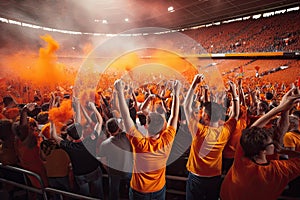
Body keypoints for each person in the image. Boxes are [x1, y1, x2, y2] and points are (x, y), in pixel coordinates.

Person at [220, 87, 300, 200]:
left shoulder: (242, 161)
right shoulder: (280, 170)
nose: (276, 143)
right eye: (272, 142)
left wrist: (282, 109)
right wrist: (284, 151)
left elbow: (253, 129)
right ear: (264, 150)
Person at [114, 78, 181, 200]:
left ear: (146, 126)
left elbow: (126, 117)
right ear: (162, 127)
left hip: (139, 191)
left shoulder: (140, 143)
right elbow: (174, 116)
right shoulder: (167, 140)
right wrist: (176, 93)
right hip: (159, 189)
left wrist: (119, 91)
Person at [183, 74, 239, 200]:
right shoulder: (225, 131)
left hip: (196, 177)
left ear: (206, 117)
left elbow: (186, 107)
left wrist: (194, 84)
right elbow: (235, 114)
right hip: (214, 177)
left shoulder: (199, 131)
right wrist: (235, 93)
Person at [50, 100, 104, 199]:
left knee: (85, 197)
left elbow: (53, 135)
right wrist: (93, 108)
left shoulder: (68, 146)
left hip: (80, 175)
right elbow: (100, 122)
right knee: (99, 193)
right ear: (82, 132)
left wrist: (52, 117)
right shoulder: (91, 139)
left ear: (69, 137)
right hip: (94, 170)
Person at [99, 117, 133, 200]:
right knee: (131, 188)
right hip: (128, 170)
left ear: (107, 130)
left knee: (114, 190)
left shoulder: (104, 144)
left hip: (114, 172)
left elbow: (103, 161)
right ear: (119, 128)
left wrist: (109, 170)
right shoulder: (127, 137)